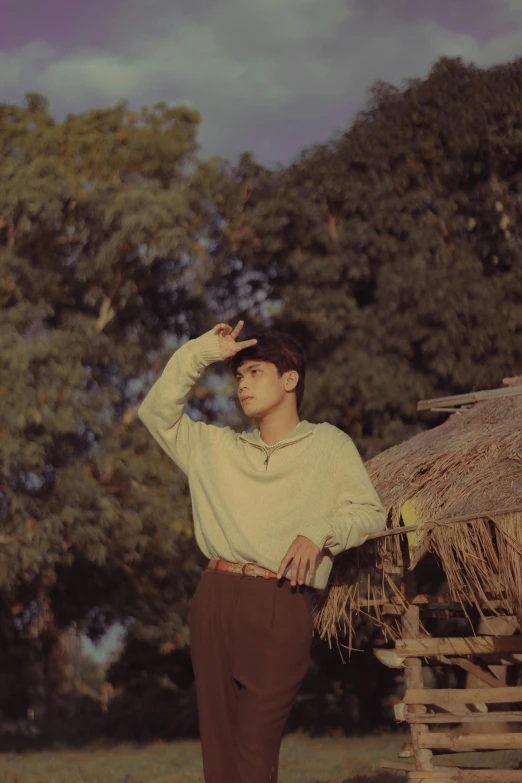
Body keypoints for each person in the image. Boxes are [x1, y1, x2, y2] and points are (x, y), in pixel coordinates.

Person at [138, 319, 386, 783]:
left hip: (280, 600)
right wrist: (202, 352)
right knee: (221, 758)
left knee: (255, 756)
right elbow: (155, 412)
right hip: (213, 596)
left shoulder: (329, 445)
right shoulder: (214, 447)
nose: (243, 385)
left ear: (289, 379)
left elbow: (371, 514)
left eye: (255, 372)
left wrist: (320, 531)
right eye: (238, 376)